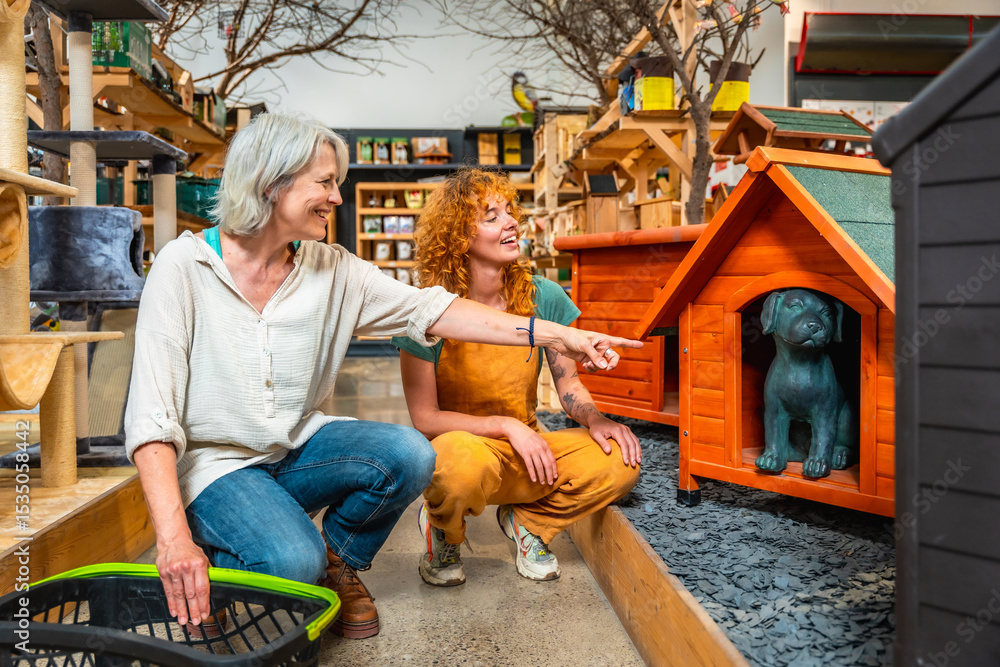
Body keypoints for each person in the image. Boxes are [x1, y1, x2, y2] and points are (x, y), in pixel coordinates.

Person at [125, 114, 641, 640]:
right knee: (290, 568)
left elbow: (436, 310)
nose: (337, 199)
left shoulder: (333, 269)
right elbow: (151, 418)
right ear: (271, 183)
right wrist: (172, 539)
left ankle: (337, 559)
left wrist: (560, 336)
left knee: (409, 455)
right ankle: (230, 552)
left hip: (296, 448)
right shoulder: (183, 267)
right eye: (325, 183)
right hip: (217, 466)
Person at [393, 169, 642, 586]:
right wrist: (506, 426)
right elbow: (425, 418)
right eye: (491, 216)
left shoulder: (544, 296)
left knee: (621, 460)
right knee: (453, 464)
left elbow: (569, 386)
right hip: (466, 451)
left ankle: (530, 523)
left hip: (529, 453)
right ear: (458, 237)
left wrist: (597, 421)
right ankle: (444, 533)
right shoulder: (425, 311)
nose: (511, 222)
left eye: (509, 211)